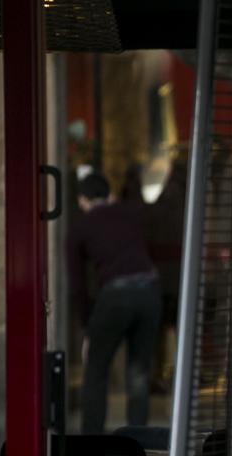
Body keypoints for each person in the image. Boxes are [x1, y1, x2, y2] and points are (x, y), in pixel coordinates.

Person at [67, 171, 163, 434]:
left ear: (82, 200)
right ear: (109, 195)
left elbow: (78, 285)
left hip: (116, 294)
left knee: (96, 371)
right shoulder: (132, 214)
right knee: (139, 373)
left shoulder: (80, 227)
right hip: (149, 291)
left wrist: (87, 326)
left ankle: (92, 446)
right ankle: (139, 443)